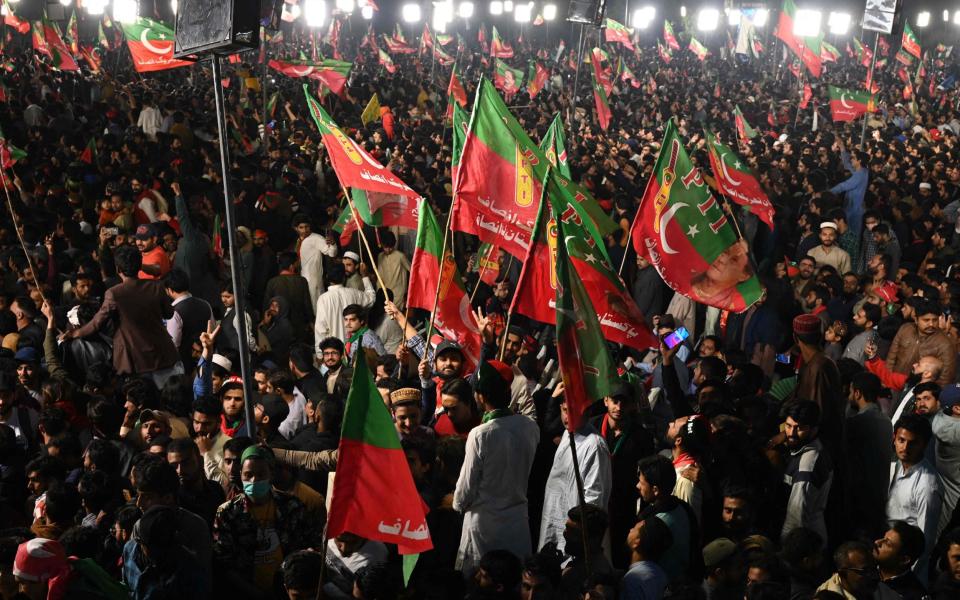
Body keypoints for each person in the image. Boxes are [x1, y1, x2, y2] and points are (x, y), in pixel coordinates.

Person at [453, 360, 540, 575]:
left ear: (480, 396)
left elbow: (465, 490)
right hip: (517, 526)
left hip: (483, 528)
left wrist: (455, 505)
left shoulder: (480, 434)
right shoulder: (530, 427)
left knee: (483, 585)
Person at [62, 245, 182, 389]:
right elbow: (169, 314)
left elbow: (96, 323)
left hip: (136, 359)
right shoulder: (156, 286)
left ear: (118, 270)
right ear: (139, 266)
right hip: (163, 354)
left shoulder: (114, 293)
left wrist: (76, 333)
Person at [212, 445, 319, 597]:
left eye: (261, 474)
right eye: (248, 474)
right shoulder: (228, 513)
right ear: (241, 474)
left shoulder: (292, 506)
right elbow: (224, 562)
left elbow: (308, 545)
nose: (254, 480)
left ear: (271, 474)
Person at [537, 393, 611, 553]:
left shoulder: (594, 445)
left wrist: (579, 535)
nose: (567, 416)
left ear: (587, 411)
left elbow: (594, 501)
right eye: (564, 410)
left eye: (573, 411)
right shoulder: (568, 433)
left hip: (576, 533)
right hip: (555, 519)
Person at [887, 415, 942, 580]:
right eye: (901, 440)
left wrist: (905, 578)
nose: (905, 447)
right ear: (894, 439)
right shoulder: (892, 468)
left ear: (924, 445)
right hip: (887, 562)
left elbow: (926, 541)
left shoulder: (927, 484)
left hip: (908, 571)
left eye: (913, 443)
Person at [636, 454, 701, 583]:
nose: (638, 486)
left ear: (655, 490)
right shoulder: (684, 508)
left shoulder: (651, 524)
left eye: (642, 483)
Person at [777, 401, 834, 545]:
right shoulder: (810, 449)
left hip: (803, 542)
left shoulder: (807, 465)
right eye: (788, 426)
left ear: (814, 429)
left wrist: (786, 551)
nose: (791, 433)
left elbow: (795, 519)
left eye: (800, 428)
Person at [844, 372, 893, 538]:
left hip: (859, 500)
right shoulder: (887, 422)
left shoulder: (856, 423)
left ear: (857, 393)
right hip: (880, 497)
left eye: (851, 391)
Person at [886, 300, 956, 386]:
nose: (931, 324)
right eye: (926, 320)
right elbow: (891, 359)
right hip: (894, 382)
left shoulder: (945, 344)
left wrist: (924, 395)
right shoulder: (905, 329)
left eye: (935, 320)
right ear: (916, 320)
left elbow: (945, 378)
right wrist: (886, 380)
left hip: (917, 392)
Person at [314, 264, 376, 352]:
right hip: (354, 350)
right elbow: (371, 299)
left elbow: (320, 330)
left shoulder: (323, 299)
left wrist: (320, 353)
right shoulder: (354, 294)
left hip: (334, 352)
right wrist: (365, 276)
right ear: (344, 277)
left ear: (327, 277)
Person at [620, 516, 673, 600]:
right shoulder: (662, 575)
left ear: (637, 541)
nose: (630, 529)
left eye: (634, 528)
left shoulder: (633, 580)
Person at [873, 521, 927, 600]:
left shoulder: (914, 596)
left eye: (887, 544)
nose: (877, 542)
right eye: (883, 537)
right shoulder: (862, 569)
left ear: (904, 560)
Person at [293, 214, 338, 307]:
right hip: (301, 279)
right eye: (301, 227)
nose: (305, 230)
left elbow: (331, 253)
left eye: (307, 227)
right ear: (296, 228)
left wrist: (333, 244)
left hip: (314, 280)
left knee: (317, 305)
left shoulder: (316, 238)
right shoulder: (298, 241)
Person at [816, 541, 882, 599]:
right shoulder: (826, 597)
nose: (874, 575)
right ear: (843, 574)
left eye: (874, 568)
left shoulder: (879, 588)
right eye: (865, 571)